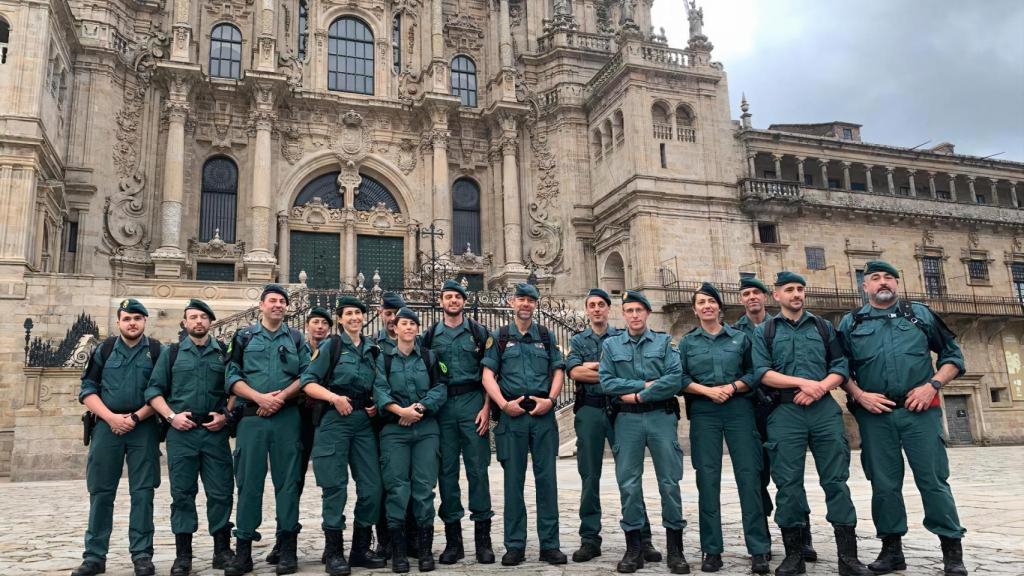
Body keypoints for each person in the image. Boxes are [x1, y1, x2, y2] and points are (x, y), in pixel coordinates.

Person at [838, 260, 967, 576]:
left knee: (933, 481)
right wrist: (859, 394)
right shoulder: (851, 322)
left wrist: (932, 385)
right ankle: (892, 550)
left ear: (897, 284)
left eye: (889, 278)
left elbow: (953, 357)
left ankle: (951, 552)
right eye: (875, 278)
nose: (883, 282)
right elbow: (839, 368)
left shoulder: (919, 315)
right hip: (875, 415)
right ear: (864, 286)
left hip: (919, 412)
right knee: (883, 485)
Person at [751, 272, 871, 576]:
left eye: (800, 289)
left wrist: (819, 388)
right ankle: (794, 556)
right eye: (789, 290)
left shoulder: (823, 327)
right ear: (776, 296)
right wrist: (806, 383)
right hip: (785, 412)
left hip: (823, 412)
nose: (796, 294)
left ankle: (848, 557)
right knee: (788, 484)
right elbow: (763, 373)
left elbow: (840, 367)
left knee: (836, 481)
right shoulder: (765, 331)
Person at [566, 288, 661, 564]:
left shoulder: (622, 337)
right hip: (590, 411)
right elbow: (574, 372)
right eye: (592, 305)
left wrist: (594, 369)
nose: (596, 309)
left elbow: (628, 371)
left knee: (629, 475)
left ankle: (642, 537)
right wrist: (609, 372)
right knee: (589, 475)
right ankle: (589, 538)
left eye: (601, 305)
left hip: (621, 411)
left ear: (609, 309)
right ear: (587, 310)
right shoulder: (578, 339)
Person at [679, 283, 769, 574]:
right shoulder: (688, 342)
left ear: (719, 307)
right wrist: (707, 392)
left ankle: (758, 549)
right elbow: (679, 377)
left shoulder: (741, 338)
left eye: (711, 301)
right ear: (695, 310)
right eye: (701, 302)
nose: (706, 306)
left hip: (738, 409)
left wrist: (731, 387)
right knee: (707, 479)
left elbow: (754, 373)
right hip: (705, 412)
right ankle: (712, 550)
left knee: (749, 477)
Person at [598, 290, 689, 575]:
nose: (635, 315)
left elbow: (674, 379)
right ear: (623, 315)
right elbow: (607, 382)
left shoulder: (663, 342)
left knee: (670, 483)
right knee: (628, 484)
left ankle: (676, 550)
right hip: (627, 421)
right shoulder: (612, 347)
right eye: (629, 311)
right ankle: (634, 547)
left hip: (660, 417)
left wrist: (637, 395)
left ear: (647, 313)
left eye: (639, 310)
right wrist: (646, 385)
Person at [222, 284, 310, 576]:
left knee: (287, 484)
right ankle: (244, 550)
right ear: (261, 305)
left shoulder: (297, 338)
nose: (278, 305)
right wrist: (260, 398)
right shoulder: (244, 336)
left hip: (287, 418)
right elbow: (232, 375)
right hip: (252, 418)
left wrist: (280, 398)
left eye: (282, 301)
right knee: (248, 484)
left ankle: (287, 549)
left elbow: (306, 375)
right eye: (272, 300)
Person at [72, 299, 162, 576]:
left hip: (143, 427)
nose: (132, 323)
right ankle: (95, 556)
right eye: (127, 318)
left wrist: (135, 418)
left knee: (143, 493)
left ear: (145, 321)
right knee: (100, 492)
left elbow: (161, 391)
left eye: (137, 318)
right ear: (118, 322)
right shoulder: (104, 350)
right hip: (106, 428)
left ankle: (142, 554)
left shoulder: (157, 352)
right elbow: (87, 389)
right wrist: (111, 418)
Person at [300, 296, 389, 576]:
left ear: (364, 318)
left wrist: (376, 403)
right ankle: (334, 553)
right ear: (339, 319)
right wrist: (334, 398)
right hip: (335, 421)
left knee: (373, 487)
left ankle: (360, 548)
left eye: (358, 313)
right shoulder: (332, 346)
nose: (354, 318)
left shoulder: (373, 350)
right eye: (348, 313)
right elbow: (308, 383)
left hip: (363, 422)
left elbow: (380, 383)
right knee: (335, 487)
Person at [146, 299, 235, 576]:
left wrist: (225, 416)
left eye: (203, 317)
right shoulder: (171, 353)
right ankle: (183, 555)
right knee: (182, 494)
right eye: (193, 317)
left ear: (210, 322)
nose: (198, 321)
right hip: (181, 433)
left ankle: (222, 550)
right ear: (184, 323)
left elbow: (235, 388)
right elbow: (154, 392)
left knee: (221, 492)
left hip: (213, 432)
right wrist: (172, 417)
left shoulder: (223, 352)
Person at [481, 283, 567, 566]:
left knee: (547, 483)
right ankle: (515, 545)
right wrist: (503, 405)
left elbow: (558, 370)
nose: (526, 304)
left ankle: (550, 545)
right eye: (521, 299)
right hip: (512, 416)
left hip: (542, 415)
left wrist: (552, 401)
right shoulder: (500, 336)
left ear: (535, 304)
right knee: (513, 483)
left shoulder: (545, 334)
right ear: (511, 302)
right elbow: (488, 376)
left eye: (531, 300)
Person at [734, 277, 817, 562]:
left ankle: (802, 535)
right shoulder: (735, 333)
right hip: (752, 410)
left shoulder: (781, 324)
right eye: (746, 293)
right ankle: (762, 539)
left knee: (790, 473)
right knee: (756, 476)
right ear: (742, 299)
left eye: (756, 292)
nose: (752, 297)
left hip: (784, 406)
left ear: (767, 296)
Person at [421, 280, 495, 564]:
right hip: (442, 408)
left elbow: (489, 373)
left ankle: (483, 542)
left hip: (473, 404)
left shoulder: (479, 333)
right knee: (446, 473)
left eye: (457, 297)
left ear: (464, 301)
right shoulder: (429, 336)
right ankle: (454, 542)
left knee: (478, 471)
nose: (453, 301)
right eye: (448, 297)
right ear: (441, 302)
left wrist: (487, 408)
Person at [376, 307, 448, 573]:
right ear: (394, 328)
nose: (407, 328)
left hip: (426, 430)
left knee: (424, 489)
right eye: (402, 324)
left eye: (412, 324)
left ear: (417, 329)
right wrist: (400, 411)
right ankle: (399, 552)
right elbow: (380, 390)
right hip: (394, 431)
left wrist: (418, 409)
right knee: (397, 489)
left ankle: (425, 550)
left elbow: (440, 388)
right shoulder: (383, 359)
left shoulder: (430, 357)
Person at [264, 306, 334, 566]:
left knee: (331, 481)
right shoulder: (296, 348)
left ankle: (331, 544)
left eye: (324, 323)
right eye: (315, 322)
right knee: (292, 482)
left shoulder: (335, 350)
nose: (320, 327)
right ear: (307, 325)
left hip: (327, 421)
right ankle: (284, 540)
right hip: (300, 421)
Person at [372, 291, 420, 559]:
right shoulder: (373, 344)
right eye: (388, 314)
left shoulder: (417, 344)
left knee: (412, 481)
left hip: (413, 420)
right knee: (384, 483)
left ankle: (411, 537)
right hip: (382, 421)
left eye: (397, 315)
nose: (392, 319)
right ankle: (384, 539)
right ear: (381, 314)